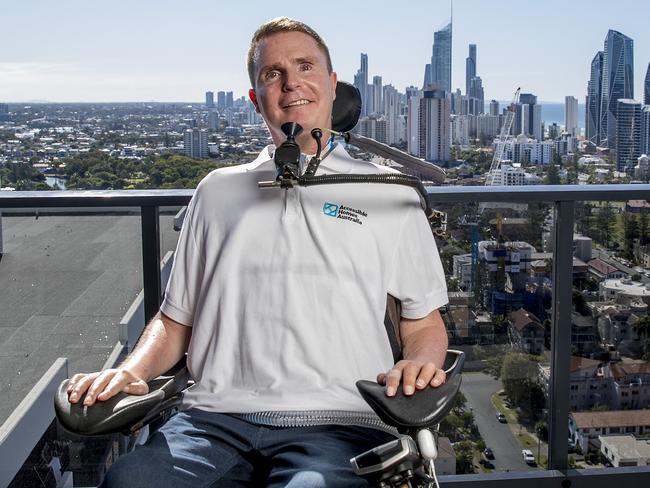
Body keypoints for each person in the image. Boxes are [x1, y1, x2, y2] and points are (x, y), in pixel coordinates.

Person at [66, 17, 449, 487]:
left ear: (333, 87)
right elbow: (174, 321)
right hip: (212, 421)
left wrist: (422, 362)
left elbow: (424, 322)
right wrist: (130, 372)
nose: (291, 84)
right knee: (131, 482)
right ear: (255, 99)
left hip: (342, 422)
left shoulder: (390, 193)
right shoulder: (216, 192)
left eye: (305, 67)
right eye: (272, 74)